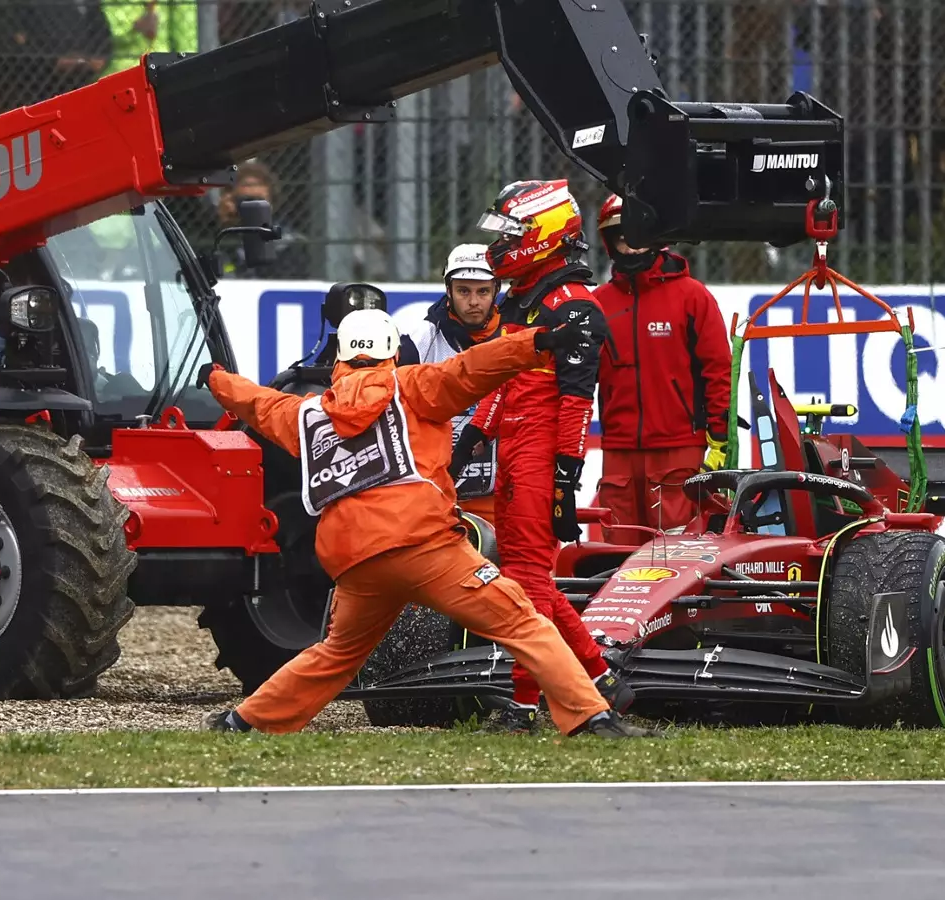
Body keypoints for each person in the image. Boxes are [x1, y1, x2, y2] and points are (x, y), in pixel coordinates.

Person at [197, 306, 651, 739]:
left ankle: (243, 721)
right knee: (521, 622)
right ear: (393, 351)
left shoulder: (307, 414)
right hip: (425, 547)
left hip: (356, 563)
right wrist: (541, 342)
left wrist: (217, 380)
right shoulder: (415, 386)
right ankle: (591, 716)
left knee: (335, 654)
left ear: (338, 357)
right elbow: (474, 366)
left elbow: (256, 401)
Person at [448, 179, 631, 734]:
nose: (501, 246)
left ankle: (525, 704)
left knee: (527, 580)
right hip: (514, 453)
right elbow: (507, 384)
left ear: (543, 236)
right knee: (535, 580)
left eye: (511, 234)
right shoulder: (530, 301)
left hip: (539, 457)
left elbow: (577, 404)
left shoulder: (573, 307)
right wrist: (473, 440)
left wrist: (562, 479)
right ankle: (600, 677)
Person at [592, 194, 732, 537]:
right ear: (610, 243)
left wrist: (720, 440)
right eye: (624, 238)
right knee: (615, 554)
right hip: (618, 454)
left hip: (679, 451)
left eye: (640, 237)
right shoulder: (596, 305)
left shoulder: (692, 296)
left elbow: (719, 371)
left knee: (677, 556)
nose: (633, 248)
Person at [398, 244, 503, 524]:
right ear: (448, 290)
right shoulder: (419, 338)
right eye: (463, 291)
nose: (473, 302)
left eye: (482, 291)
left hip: (500, 492)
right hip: (439, 493)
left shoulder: (514, 336)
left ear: (496, 290)